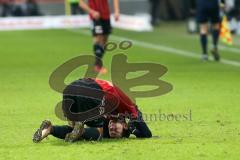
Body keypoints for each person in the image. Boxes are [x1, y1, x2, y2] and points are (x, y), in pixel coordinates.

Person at [33, 78, 152, 143]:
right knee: (98, 133)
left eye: (112, 130)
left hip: (71, 88)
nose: (111, 127)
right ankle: (80, 131)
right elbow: (147, 134)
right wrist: (134, 129)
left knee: (74, 129)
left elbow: (108, 131)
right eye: (116, 128)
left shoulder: (109, 112)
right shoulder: (129, 107)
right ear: (125, 125)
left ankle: (49, 129)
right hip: (92, 91)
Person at [79, 0, 120, 74]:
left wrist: (117, 10)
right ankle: (98, 65)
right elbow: (81, 3)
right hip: (95, 17)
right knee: (98, 38)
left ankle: (97, 63)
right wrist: (92, 11)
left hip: (106, 16)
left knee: (104, 41)